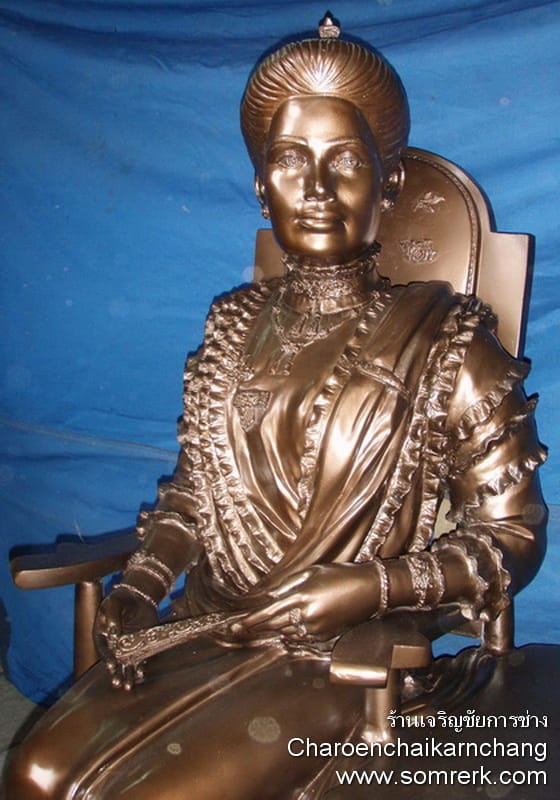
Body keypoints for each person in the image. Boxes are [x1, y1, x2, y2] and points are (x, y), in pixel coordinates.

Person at [2, 15, 546, 800]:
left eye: (345, 161)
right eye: (290, 161)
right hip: (210, 624)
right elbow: (195, 495)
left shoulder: (450, 344)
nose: (316, 189)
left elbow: (512, 537)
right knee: (36, 771)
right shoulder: (230, 330)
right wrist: (140, 586)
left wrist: (370, 588)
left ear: (388, 184)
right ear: (262, 184)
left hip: (346, 654)